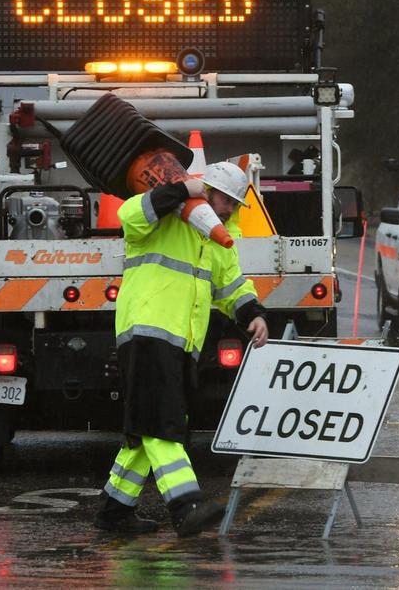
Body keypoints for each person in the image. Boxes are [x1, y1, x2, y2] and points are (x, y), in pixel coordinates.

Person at [94, 160, 270, 537]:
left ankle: (115, 510)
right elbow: (130, 215)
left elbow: (232, 285)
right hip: (147, 330)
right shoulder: (164, 217)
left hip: (181, 341)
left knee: (147, 426)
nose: (231, 209)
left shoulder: (217, 239)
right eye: (228, 201)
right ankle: (185, 505)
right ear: (207, 191)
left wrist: (253, 313)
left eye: (236, 204)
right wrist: (178, 193)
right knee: (162, 421)